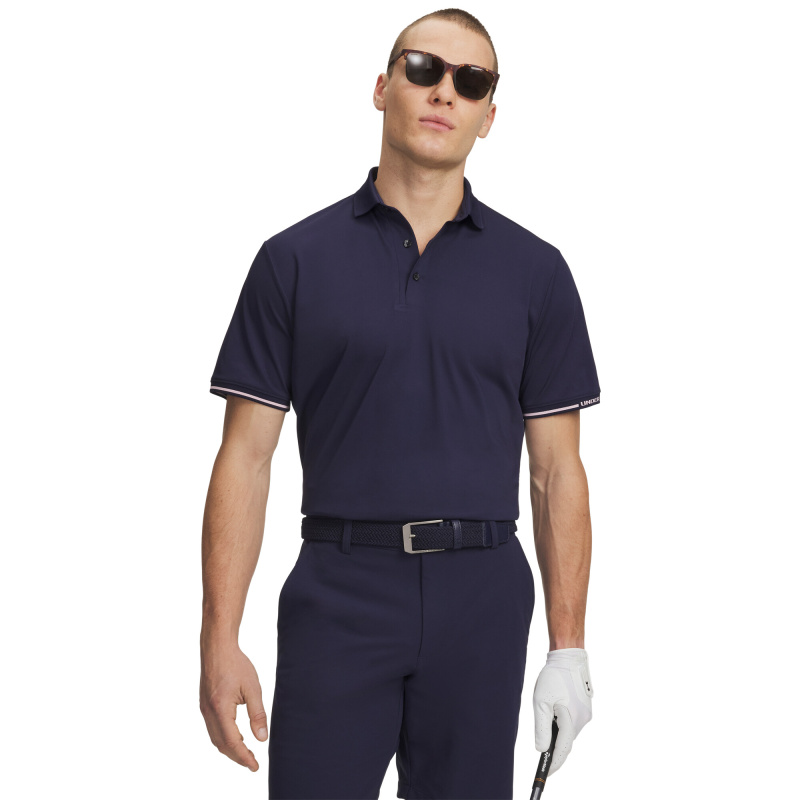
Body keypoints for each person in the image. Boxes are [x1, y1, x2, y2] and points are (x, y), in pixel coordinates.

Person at [199, 8, 599, 799]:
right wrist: (219, 637)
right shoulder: (293, 261)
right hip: (338, 591)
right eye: (423, 69)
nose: (445, 92)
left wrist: (569, 651)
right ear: (383, 87)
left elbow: (557, 471)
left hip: (482, 596)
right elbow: (245, 457)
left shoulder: (537, 273)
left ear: (489, 116)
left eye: (471, 82)